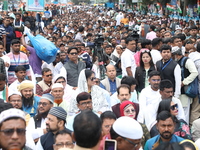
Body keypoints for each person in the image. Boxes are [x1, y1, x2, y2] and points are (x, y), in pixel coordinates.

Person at [171, 46, 198, 124]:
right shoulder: (176, 62)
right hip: (178, 91)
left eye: (172, 55)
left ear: (176, 54)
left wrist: (184, 82)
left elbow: (194, 72)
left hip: (185, 91)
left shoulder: (187, 61)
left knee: (184, 113)